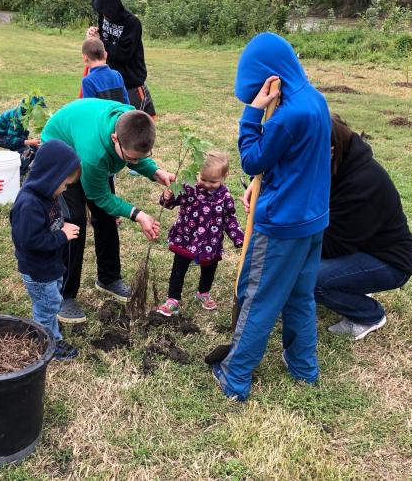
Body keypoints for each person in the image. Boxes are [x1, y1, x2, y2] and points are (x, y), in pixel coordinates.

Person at [212, 32, 331, 401]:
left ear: (271, 80)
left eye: (255, 94)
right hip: (313, 222)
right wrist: (261, 184)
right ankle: (303, 368)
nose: (256, 102)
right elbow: (293, 161)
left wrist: (251, 114)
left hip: (281, 226)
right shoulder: (315, 100)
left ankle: (235, 377)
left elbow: (252, 159)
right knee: (299, 296)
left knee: (258, 298)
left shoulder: (286, 116)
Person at [40, 99, 175, 323]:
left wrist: (155, 171)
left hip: (87, 144)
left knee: (106, 217)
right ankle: (64, 295)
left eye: (142, 156)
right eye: (131, 158)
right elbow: (99, 196)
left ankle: (108, 278)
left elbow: (135, 156)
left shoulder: (132, 120)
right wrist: (138, 214)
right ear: (115, 138)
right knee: (74, 221)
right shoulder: (94, 155)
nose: (135, 162)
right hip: (60, 151)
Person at [315, 114, 412, 339]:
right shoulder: (341, 162)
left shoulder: (362, 182)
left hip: (388, 261)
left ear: (330, 150)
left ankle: (369, 315)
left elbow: (333, 245)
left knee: (309, 278)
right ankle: (352, 282)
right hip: (360, 246)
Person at [11, 139, 82, 360]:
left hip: (50, 266)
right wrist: (61, 235)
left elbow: (49, 222)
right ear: (52, 178)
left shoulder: (47, 195)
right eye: (64, 184)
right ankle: (46, 344)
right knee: (47, 306)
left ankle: (51, 334)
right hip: (38, 269)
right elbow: (31, 241)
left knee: (52, 301)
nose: (65, 189)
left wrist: (62, 225)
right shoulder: (28, 204)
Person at [155, 151, 244, 317]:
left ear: (225, 176)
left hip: (211, 242)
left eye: (213, 181)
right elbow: (170, 204)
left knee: (208, 269)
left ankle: (203, 293)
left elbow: (229, 219)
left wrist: (239, 238)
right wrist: (168, 196)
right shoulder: (189, 188)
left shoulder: (225, 196)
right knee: (178, 269)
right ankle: (173, 299)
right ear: (197, 173)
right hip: (186, 237)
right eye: (203, 179)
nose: (207, 184)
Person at [89, 0, 156, 116]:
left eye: (106, 12)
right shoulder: (103, 16)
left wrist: (101, 41)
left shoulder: (132, 23)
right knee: (112, 125)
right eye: (101, 12)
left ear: (113, 8)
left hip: (131, 83)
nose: (104, 15)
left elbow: (122, 54)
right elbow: (103, 40)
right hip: (111, 81)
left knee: (136, 125)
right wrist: (93, 34)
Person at [0, 94, 46, 178]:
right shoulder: (16, 119)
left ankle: (26, 167)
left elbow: (20, 132)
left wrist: (30, 141)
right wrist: (28, 142)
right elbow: (11, 140)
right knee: (26, 151)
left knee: (33, 147)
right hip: (0, 136)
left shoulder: (23, 115)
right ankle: (18, 174)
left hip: (10, 134)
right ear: (30, 110)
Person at [80, 38, 129, 103]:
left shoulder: (88, 81)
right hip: (120, 113)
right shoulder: (117, 75)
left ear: (85, 58)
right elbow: (127, 104)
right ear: (105, 54)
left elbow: (90, 109)